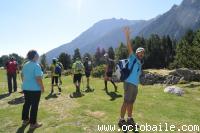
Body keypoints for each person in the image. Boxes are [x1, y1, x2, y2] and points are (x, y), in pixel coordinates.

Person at [118, 27, 145, 129]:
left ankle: (129, 119)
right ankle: (121, 120)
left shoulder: (139, 63)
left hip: (135, 85)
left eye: (143, 53)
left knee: (131, 102)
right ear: (137, 53)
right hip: (129, 83)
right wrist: (127, 36)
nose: (142, 54)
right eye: (140, 52)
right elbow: (129, 47)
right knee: (126, 101)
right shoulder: (133, 57)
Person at [21, 50, 44, 129]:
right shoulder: (36, 65)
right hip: (35, 89)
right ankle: (33, 124)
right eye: (37, 53)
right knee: (34, 106)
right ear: (34, 56)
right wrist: (42, 87)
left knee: (27, 104)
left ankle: (25, 120)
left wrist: (25, 84)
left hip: (26, 88)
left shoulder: (25, 65)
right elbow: (38, 78)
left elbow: (22, 76)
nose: (38, 55)